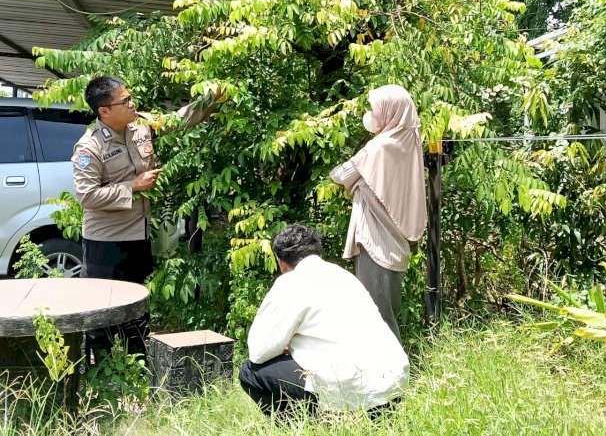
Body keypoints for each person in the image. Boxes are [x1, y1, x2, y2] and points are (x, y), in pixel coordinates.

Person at [71, 75, 223, 358]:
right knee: (101, 314)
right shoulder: (90, 147)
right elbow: (87, 197)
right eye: (125, 100)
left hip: (138, 235)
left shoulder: (140, 125)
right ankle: (100, 379)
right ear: (104, 111)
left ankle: (138, 368)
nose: (133, 104)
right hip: (106, 242)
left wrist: (211, 100)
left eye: (130, 97)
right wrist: (133, 185)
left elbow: (176, 120)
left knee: (137, 308)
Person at [239, 223, 409, 415]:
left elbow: (259, 352)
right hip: (393, 389)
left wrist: (286, 346)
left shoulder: (290, 282)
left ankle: (307, 426)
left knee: (250, 372)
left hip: (352, 393)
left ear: (282, 264)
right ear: (319, 255)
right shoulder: (345, 276)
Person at [329, 85, 427, 341]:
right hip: (395, 240)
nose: (372, 113)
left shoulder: (379, 147)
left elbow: (341, 175)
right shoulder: (409, 143)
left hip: (375, 241)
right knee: (387, 310)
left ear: (391, 111)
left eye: (376, 107)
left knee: (377, 315)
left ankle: (391, 374)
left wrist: (353, 178)